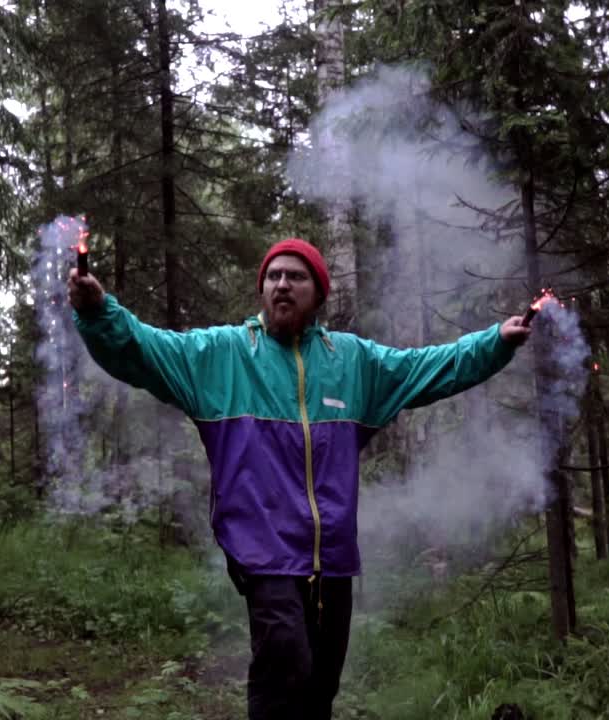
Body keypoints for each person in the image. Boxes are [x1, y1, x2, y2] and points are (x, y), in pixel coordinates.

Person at [67, 238, 530, 719]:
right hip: (262, 550)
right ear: (261, 290)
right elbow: (142, 348)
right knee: (284, 665)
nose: (282, 284)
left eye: (296, 276)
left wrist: (494, 341)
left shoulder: (352, 362)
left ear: (319, 294)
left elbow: (428, 368)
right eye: (273, 276)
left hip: (332, 558)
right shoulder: (222, 355)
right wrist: (99, 310)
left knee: (320, 686)